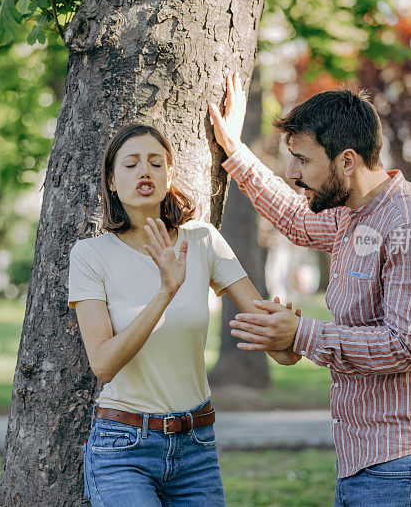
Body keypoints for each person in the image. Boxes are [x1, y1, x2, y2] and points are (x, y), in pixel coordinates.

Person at [208, 73, 411, 506]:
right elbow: (295, 218)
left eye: (303, 160)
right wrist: (235, 151)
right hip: (367, 462)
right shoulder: (355, 212)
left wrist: (299, 335)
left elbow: (402, 345)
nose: (293, 173)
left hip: (407, 466)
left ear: (346, 161)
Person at [68, 123, 291, 506]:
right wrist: (166, 291)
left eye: (156, 163)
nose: (145, 172)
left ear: (169, 175)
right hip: (124, 447)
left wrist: (287, 333)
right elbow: (103, 364)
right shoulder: (91, 256)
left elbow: (281, 350)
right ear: (111, 181)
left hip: (195, 446)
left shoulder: (202, 240)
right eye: (131, 164)